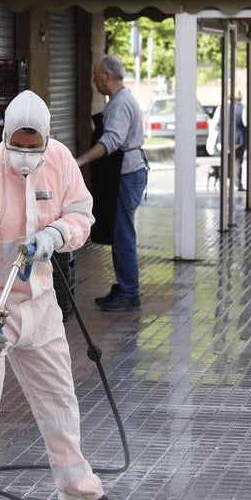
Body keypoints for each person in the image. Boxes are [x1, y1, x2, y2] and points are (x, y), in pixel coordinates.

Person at [0, 90, 137, 500]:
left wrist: (55, 235)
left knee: (59, 399)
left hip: (39, 301)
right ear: (5, 136)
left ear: (47, 140)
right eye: (18, 146)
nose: (27, 156)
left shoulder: (61, 159)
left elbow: (82, 214)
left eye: (35, 147)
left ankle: (78, 494)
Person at [77, 54, 148, 312]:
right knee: (120, 232)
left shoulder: (120, 104)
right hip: (128, 173)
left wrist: (80, 160)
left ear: (106, 76)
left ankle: (129, 291)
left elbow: (111, 141)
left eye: (96, 74)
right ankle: (125, 286)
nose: (93, 79)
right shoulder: (121, 100)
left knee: (122, 235)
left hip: (126, 175)